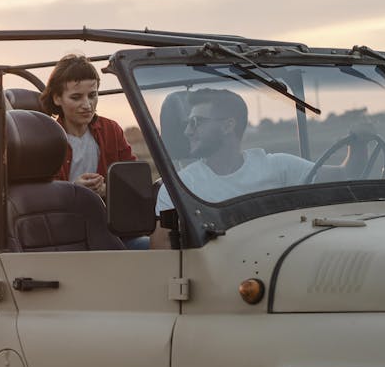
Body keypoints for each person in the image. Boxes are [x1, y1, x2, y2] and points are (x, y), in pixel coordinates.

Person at [151, 88, 312, 248]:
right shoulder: (178, 188)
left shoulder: (281, 167)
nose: (187, 131)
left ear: (228, 126)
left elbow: (334, 179)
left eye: (196, 122)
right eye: (188, 123)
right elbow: (162, 252)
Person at [39, 54, 136, 198]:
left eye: (92, 95)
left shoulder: (112, 130)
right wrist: (73, 190)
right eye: (76, 97)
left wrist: (106, 190)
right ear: (57, 98)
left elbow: (133, 179)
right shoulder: (46, 140)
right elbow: (40, 194)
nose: (87, 105)